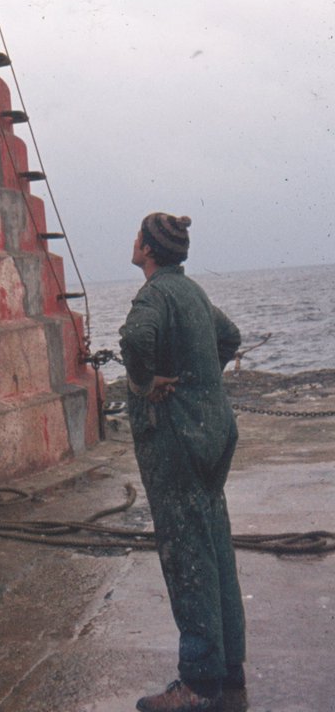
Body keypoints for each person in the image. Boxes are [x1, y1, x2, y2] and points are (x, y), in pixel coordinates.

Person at [119, 212, 246, 712]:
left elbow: (134, 341)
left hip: (178, 444)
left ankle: (198, 683)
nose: (133, 244)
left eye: (138, 238)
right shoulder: (193, 293)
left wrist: (148, 383)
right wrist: (201, 381)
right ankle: (228, 667)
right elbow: (229, 336)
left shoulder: (154, 296)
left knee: (188, 556)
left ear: (149, 250)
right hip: (216, 434)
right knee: (216, 547)